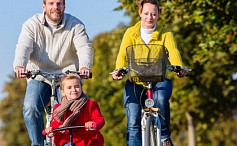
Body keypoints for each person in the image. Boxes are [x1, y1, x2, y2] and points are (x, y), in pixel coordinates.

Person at [13, 0, 93, 145]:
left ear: (64, 6)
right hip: (39, 75)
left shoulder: (75, 24)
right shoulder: (31, 24)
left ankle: (68, 142)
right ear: (44, 6)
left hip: (67, 76)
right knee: (30, 108)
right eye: (51, 3)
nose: (55, 7)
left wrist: (85, 67)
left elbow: (84, 47)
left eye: (59, 3)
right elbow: (23, 47)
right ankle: (37, 143)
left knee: (72, 109)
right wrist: (19, 65)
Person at [111, 0, 189, 146]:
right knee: (133, 123)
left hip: (159, 80)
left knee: (161, 100)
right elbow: (122, 54)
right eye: (146, 13)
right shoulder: (130, 33)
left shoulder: (166, 34)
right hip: (136, 81)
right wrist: (119, 70)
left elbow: (173, 52)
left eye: (154, 14)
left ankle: (165, 137)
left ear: (158, 14)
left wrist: (178, 67)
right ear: (140, 13)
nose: (150, 17)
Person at [43, 74, 105, 146]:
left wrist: (93, 124)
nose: (74, 90)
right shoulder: (59, 108)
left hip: (87, 140)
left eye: (77, 86)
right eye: (69, 88)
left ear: (81, 88)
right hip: (67, 140)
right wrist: (51, 130)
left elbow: (99, 119)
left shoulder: (90, 104)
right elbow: (57, 123)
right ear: (62, 92)